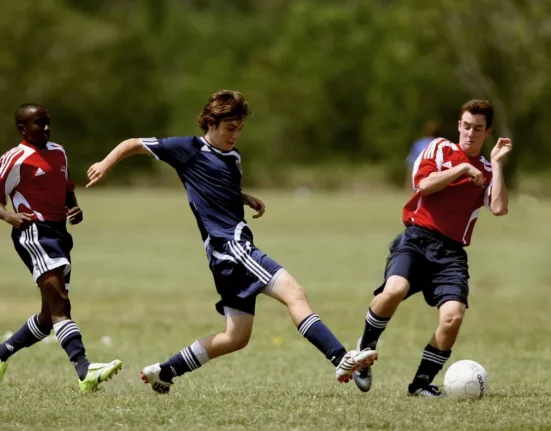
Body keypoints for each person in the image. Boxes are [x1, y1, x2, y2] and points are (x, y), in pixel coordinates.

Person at [86, 90, 377, 394]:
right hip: (232, 248)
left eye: (239, 129)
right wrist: (106, 163)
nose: (235, 135)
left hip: (224, 255)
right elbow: (133, 144)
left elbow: (217, 189)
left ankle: (166, 371)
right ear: (210, 123)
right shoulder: (187, 149)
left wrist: (244, 197)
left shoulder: (233, 158)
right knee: (294, 293)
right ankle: (340, 357)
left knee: (236, 337)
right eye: (229, 129)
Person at [354, 99, 511, 397]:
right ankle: (364, 351)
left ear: (487, 132)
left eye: (478, 129)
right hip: (416, 239)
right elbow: (424, 185)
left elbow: (500, 207)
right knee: (394, 290)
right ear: (458, 126)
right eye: (466, 126)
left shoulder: (488, 170)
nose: (470, 133)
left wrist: (498, 163)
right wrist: (463, 168)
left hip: (451, 253)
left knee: (453, 317)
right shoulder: (439, 148)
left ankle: (421, 383)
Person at [0, 104, 122, 392]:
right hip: (34, 234)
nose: (45, 128)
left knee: (47, 318)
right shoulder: (16, 158)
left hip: (59, 233)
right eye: (38, 123)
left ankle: (1, 354)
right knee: (61, 305)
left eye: (47, 123)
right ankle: (84, 370)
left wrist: (74, 207)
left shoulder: (59, 152)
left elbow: (67, 188)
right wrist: (8, 215)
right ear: (22, 129)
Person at [405, 121, 440, 193]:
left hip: (420, 177)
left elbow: (411, 164)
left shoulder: (419, 144)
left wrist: (408, 184)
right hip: (435, 178)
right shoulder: (440, 144)